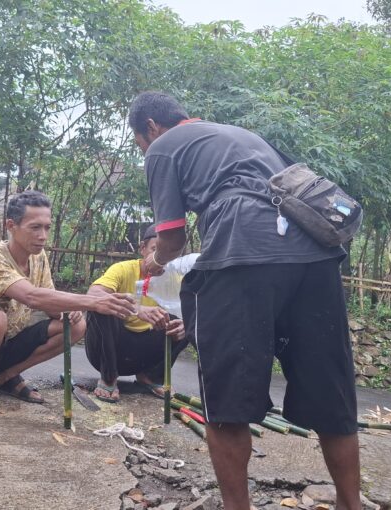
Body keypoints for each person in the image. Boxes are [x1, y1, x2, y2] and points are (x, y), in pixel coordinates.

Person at [128, 92, 362, 510]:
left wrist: (153, 261)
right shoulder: (241, 135)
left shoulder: (163, 147)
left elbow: (173, 238)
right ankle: (350, 504)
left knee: (227, 399)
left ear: (150, 127)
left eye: (140, 143)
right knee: (331, 391)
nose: (145, 150)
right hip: (316, 255)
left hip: (243, 255)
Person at [0, 190, 135, 413]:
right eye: (35, 227)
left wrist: (67, 311)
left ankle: (5, 377)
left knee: (76, 325)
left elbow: (49, 304)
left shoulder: (38, 257)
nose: (43, 235)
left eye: (47, 227)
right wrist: (91, 302)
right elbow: (31, 296)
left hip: (7, 346)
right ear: (11, 225)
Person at [84, 225, 188, 403]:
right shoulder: (123, 269)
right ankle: (108, 377)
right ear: (142, 249)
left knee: (188, 322)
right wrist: (135, 308)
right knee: (102, 307)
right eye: (156, 251)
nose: (161, 259)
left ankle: (151, 377)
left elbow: (197, 310)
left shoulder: (176, 279)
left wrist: (187, 325)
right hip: (108, 352)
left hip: (144, 355)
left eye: (168, 254)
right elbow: (93, 295)